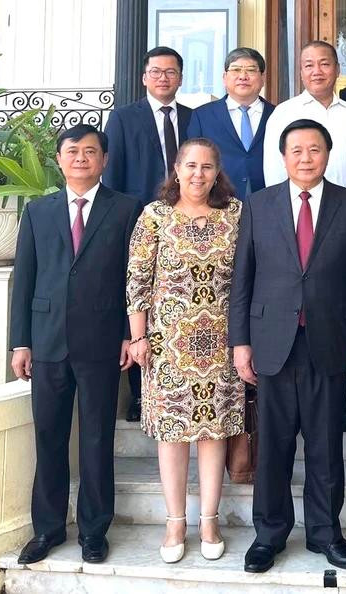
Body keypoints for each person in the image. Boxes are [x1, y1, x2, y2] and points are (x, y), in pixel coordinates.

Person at [230, 119, 346, 574]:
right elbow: (243, 280)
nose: (306, 158)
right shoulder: (258, 205)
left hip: (329, 341)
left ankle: (325, 533)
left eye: (314, 150)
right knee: (272, 446)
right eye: (297, 150)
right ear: (283, 156)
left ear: (327, 155)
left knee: (326, 444)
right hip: (272, 342)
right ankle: (268, 535)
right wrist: (241, 342)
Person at [10, 124, 142, 566]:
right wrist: (20, 343)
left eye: (90, 152)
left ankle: (93, 531)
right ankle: (46, 530)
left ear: (104, 160)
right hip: (46, 343)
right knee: (48, 439)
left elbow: (134, 278)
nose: (81, 158)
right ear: (60, 159)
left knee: (97, 439)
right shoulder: (38, 212)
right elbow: (24, 280)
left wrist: (129, 331)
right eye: (73, 151)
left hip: (102, 342)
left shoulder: (125, 209)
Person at [126, 138, 244, 564]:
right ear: (176, 169)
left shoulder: (235, 214)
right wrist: (138, 337)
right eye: (190, 166)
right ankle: (176, 520)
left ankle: (209, 519)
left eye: (207, 167)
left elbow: (248, 277)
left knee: (213, 434)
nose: (198, 174)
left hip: (221, 342)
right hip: (168, 345)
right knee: (173, 436)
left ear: (217, 172)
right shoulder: (155, 216)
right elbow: (137, 279)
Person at [103, 45, 192, 422]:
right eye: (156, 71)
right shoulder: (123, 119)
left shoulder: (193, 118)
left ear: (180, 77)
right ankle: (141, 395)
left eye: (171, 72)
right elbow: (115, 175)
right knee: (142, 301)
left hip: (187, 227)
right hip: (141, 225)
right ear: (144, 77)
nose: (163, 78)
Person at [263, 41, 346, 193]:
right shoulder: (283, 114)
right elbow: (273, 171)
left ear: (337, 70)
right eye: (309, 66)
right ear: (301, 73)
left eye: (324, 64)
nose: (317, 71)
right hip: (301, 211)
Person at [187, 47, 273, 201]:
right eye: (236, 70)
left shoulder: (278, 115)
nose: (243, 76)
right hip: (217, 202)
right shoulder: (202, 116)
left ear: (263, 77)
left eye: (251, 70)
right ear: (224, 77)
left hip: (269, 201)